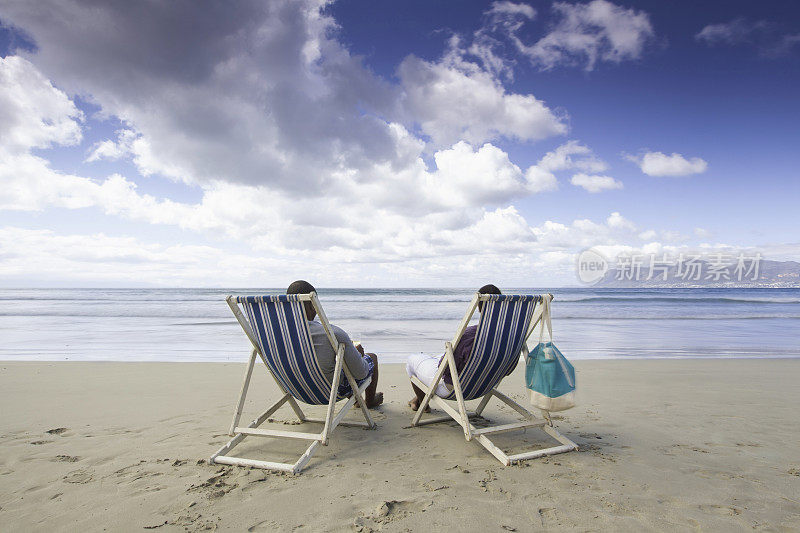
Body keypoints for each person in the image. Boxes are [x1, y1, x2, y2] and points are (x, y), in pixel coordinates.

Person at [407, 284, 516, 411]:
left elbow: (446, 369)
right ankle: (418, 399)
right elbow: (509, 369)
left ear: (479, 307)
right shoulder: (510, 335)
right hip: (484, 386)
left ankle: (422, 403)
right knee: (440, 357)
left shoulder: (470, 335)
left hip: (455, 389)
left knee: (412, 360)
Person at [287, 280, 383, 408]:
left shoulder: (273, 332)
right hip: (328, 392)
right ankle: (370, 401)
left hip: (295, 389)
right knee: (371, 358)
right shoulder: (331, 333)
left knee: (337, 368)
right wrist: (358, 356)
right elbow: (361, 373)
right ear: (312, 304)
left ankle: (356, 400)